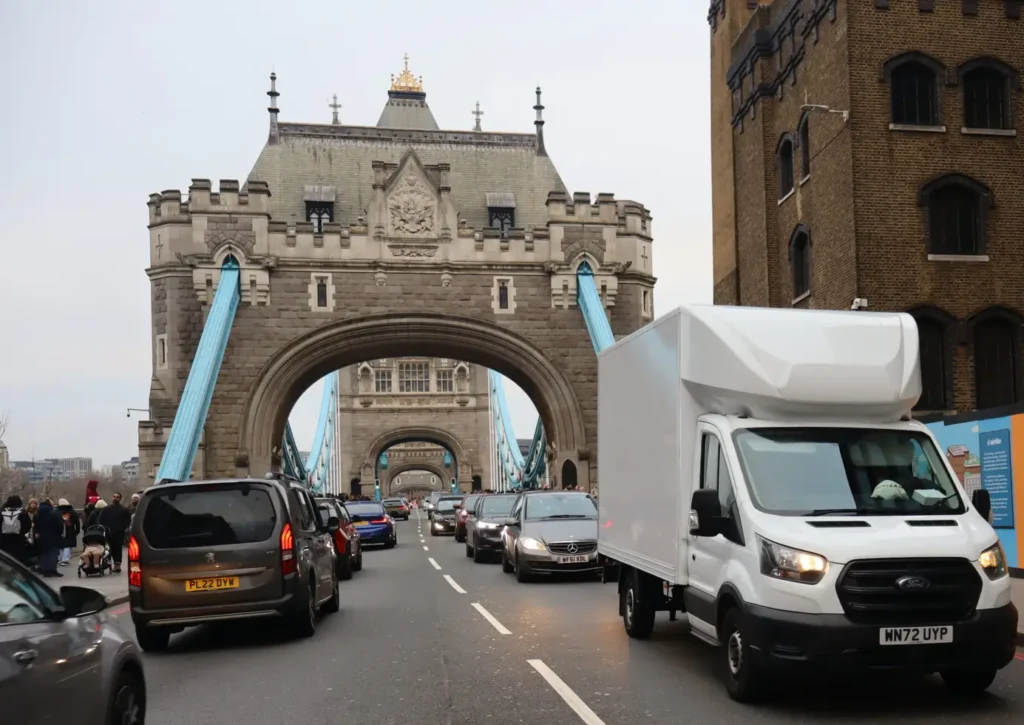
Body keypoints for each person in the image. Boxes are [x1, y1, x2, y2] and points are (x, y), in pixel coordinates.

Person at [98, 493, 131, 573]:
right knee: (108, 548)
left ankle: (117, 564)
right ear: (112, 498)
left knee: (118, 548)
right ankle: (108, 563)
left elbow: (128, 520)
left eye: (117, 497)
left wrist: (123, 528)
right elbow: (101, 520)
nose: (115, 498)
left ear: (120, 499)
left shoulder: (124, 509)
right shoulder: (106, 509)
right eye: (114, 497)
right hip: (108, 531)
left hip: (119, 532)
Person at [34, 498, 65, 578]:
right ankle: (52, 570)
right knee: (53, 553)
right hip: (53, 536)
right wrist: (59, 533)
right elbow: (59, 525)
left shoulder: (38, 513)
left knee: (44, 553)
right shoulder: (53, 513)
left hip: (42, 536)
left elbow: (36, 525)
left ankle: (45, 570)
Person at [1, 495, 33, 564]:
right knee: (18, 559)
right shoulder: (22, 512)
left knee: (5, 558)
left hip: (4, 539)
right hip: (18, 539)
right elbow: (28, 525)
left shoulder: (2, 511)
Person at [57, 498, 80, 567]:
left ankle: (61, 559)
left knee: (61, 546)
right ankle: (65, 559)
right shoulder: (72, 511)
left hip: (60, 531)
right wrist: (77, 531)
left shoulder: (57, 511)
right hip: (70, 530)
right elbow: (77, 522)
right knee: (68, 545)